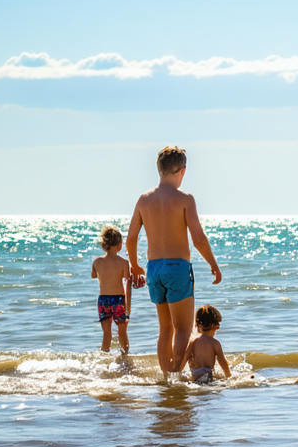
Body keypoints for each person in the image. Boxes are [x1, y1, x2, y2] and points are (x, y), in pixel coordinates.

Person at [126, 146, 222, 380]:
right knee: (182, 328)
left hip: (153, 269)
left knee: (165, 328)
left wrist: (135, 266)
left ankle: (166, 376)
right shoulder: (185, 199)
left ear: (159, 170)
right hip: (177, 268)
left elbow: (131, 238)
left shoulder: (144, 199)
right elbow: (198, 238)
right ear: (183, 171)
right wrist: (213, 263)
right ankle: (177, 374)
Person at [91, 225, 132, 353]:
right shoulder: (124, 263)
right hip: (119, 299)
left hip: (103, 300)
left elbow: (93, 275)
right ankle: (125, 356)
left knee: (106, 334)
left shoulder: (97, 262)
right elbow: (128, 284)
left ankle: (104, 359)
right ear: (119, 244)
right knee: (122, 332)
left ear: (104, 245)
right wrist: (128, 305)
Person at [182, 305, 230, 384]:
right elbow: (222, 362)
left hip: (195, 374)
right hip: (207, 375)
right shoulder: (215, 343)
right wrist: (229, 375)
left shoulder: (193, 341)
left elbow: (185, 359)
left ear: (197, 324)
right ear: (217, 326)